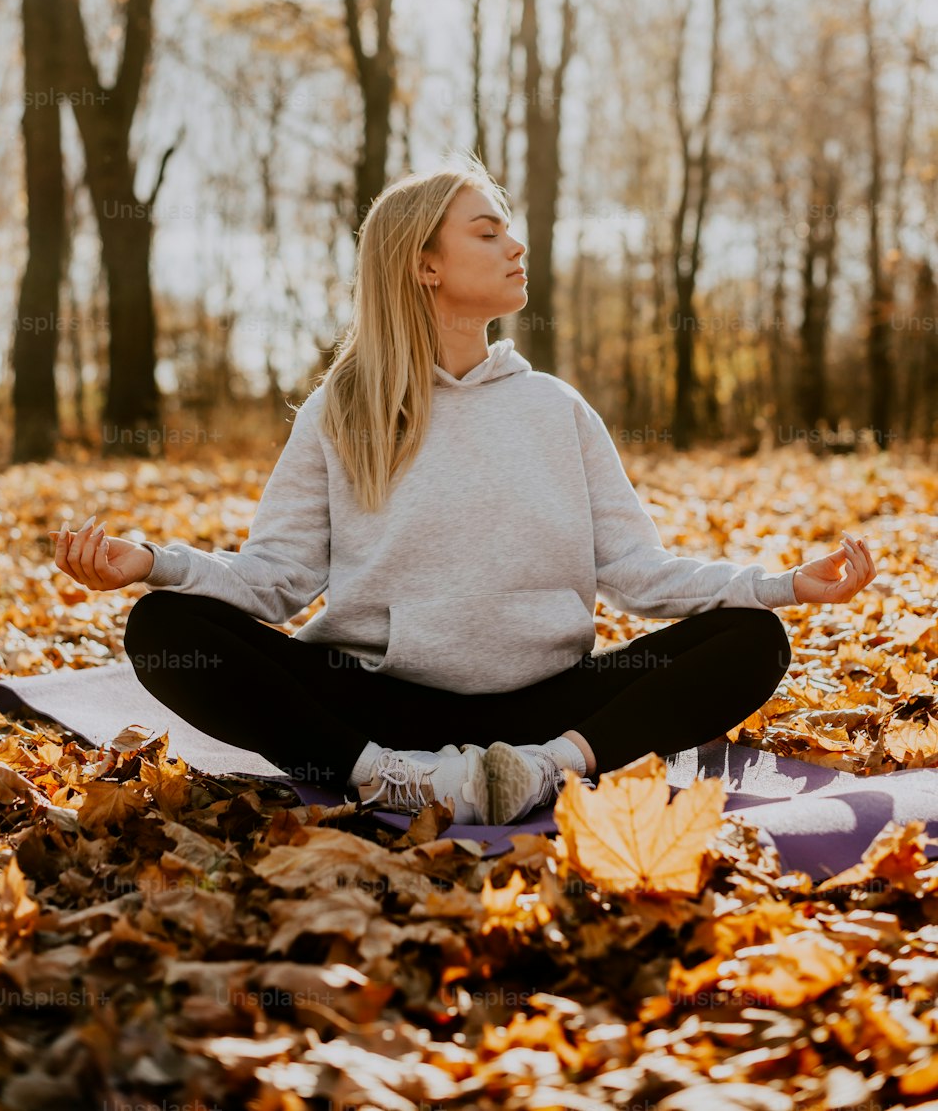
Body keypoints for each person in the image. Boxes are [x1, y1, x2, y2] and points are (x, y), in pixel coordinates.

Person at [50, 151, 877, 827]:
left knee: (752, 639)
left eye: (511, 233)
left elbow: (639, 572)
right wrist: (151, 563)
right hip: (378, 713)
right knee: (163, 626)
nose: (516, 248)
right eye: (488, 234)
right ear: (425, 265)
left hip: (548, 713)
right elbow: (276, 582)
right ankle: (389, 782)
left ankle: (549, 774)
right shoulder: (343, 411)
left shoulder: (557, 409)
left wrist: (781, 585)